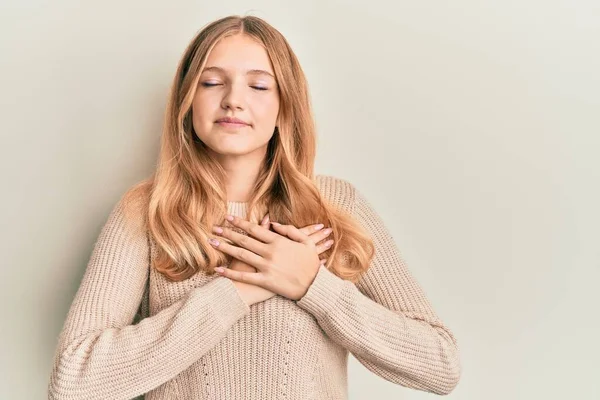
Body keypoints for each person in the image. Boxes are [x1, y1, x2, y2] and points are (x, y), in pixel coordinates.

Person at [47, 14, 461, 400]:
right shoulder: (146, 212)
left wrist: (312, 285)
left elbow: (439, 365)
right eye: (212, 83)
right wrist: (237, 290)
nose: (233, 101)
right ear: (187, 101)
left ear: (285, 106)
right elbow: (74, 381)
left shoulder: (334, 206)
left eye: (259, 86)